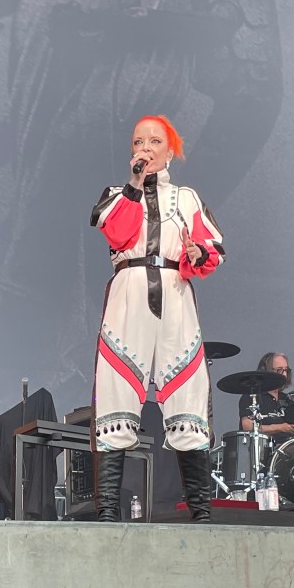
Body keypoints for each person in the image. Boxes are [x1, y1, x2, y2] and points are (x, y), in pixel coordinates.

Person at [90, 115, 224, 522]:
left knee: (188, 393)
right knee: (115, 390)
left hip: (175, 293)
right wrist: (134, 184)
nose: (144, 148)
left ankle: (201, 512)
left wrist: (196, 253)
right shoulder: (117, 194)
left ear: (170, 151)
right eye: (138, 142)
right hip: (129, 292)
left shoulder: (187, 198)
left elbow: (211, 249)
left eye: (153, 141)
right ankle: (107, 511)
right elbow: (118, 233)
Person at [238, 352, 294, 447]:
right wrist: (281, 427)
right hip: (263, 450)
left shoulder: (286, 399)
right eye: (279, 370)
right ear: (266, 371)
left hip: (289, 449)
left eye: (286, 370)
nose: (284, 374)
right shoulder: (252, 396)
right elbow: (247, 426)